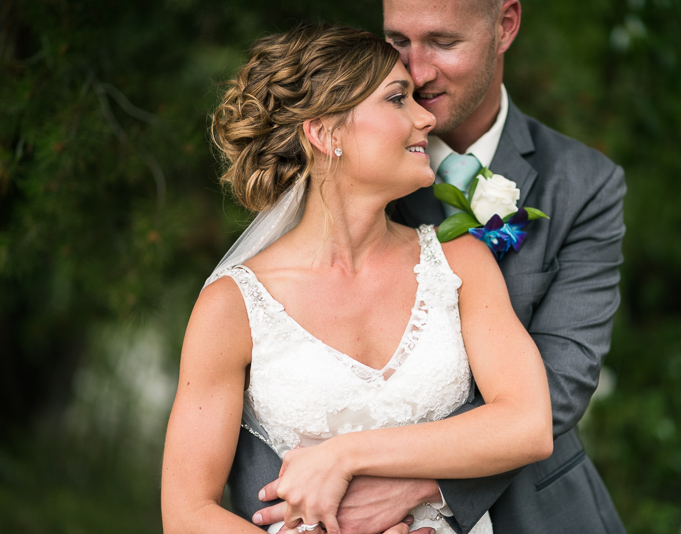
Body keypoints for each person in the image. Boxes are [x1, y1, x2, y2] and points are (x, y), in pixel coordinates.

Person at [234, 1, 628, 533]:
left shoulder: (584, 184)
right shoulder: (353, 161)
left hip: (530, 509)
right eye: (399, 41)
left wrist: (413, 485)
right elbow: (274, 383)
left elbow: (561, 381)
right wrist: (314, 517)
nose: (417, 72)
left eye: (443, 43)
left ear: (504, 27)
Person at [161, 23, 555, 534]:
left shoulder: (461, 265)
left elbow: (527, 425)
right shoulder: (232, 306)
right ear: (325, 133)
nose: (425, 117)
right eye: (398, 99)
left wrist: (346, 455)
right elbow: (186, 513)